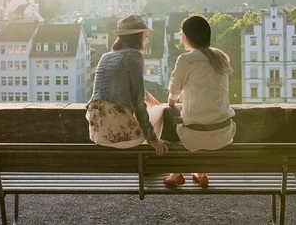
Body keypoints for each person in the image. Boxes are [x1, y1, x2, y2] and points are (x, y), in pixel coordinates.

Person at [163, 15, 236, 186]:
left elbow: (174, 91)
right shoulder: (221, 57)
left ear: (187, 36)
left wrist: (173, 103)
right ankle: (201, 172)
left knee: (168, 112)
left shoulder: (186, 59)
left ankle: (176, 172)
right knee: (210, 115)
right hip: (223, 134)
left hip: (195, 137)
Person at [86, 15, 169, 156]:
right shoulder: (134, 56)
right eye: (145, 35)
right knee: (160, 110)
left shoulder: (106, 56)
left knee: (150, 107)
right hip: (121, 138)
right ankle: (153, 152)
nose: (147, 40)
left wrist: (147, 95)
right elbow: (138, 102)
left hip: (97, 134)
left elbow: (119, 86)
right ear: (137, 37)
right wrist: (153, 139)